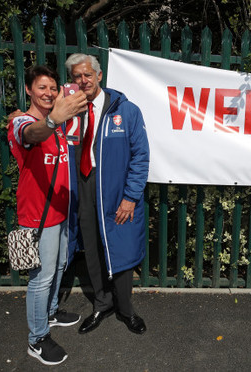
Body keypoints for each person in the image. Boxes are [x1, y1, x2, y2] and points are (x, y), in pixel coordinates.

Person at [64, 53, 150, 335]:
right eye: (77, 76)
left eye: (88, 74)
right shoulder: (68, 110)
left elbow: (140, 156)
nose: (83, 80)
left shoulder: (126, 111)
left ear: (99, 75)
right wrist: (22, 116)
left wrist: (130, 197)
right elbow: (42, 126)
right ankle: (102, 304)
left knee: (121, 251)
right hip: (84, 187)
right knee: (91, 248)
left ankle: (126, 310)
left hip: (116, 191)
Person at [7, 65, 88, 365]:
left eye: (53, 88)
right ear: (28, 89)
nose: (49, 93)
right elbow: (31, 132)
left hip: (63, 211)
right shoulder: (23, 123)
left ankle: (51, 312)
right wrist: (53, 119)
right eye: (42, 87)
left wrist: (59, 114)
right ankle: (36, 338)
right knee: (40, 278)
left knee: (60, 266)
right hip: (38, 214)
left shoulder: (62, 124)